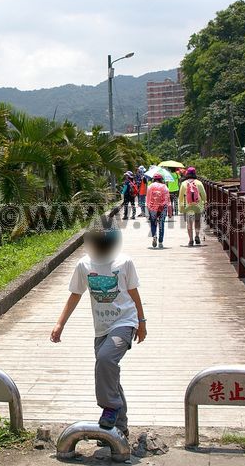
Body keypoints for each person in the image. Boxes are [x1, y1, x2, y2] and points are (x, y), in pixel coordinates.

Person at [50, 218, 146, 436]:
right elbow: (75, 295)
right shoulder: (84, 265)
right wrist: (60, 324)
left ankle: (109, 407)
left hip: (124, 322)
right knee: (109, 375)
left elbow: (134, 294)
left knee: (105, 360)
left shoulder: (124, 262)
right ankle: (120, 428)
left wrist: (141, 323)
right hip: (101, 327)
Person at [179, 167, 207, 246]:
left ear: (187, 174)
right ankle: (197, 236)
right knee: (197, 221)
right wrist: (205, 202)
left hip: (188, 206)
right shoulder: (199, 183)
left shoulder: (184, 183)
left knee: (189, 223)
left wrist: (181, 206)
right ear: (195, 174)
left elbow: (181, 196)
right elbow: (203, 194)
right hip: (198, 205)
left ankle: (191, 240)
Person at [145, 176, 170, 248]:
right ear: (161, 179)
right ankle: (161, 242)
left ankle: (154, 236)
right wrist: (169, 208)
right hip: (162, 207)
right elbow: (167, 198)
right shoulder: (164, 186)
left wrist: (148, 208)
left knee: (153, 223)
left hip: (153, 207)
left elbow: (148, 199)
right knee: (161, 223)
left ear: (153, 179)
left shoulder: (150, 186)